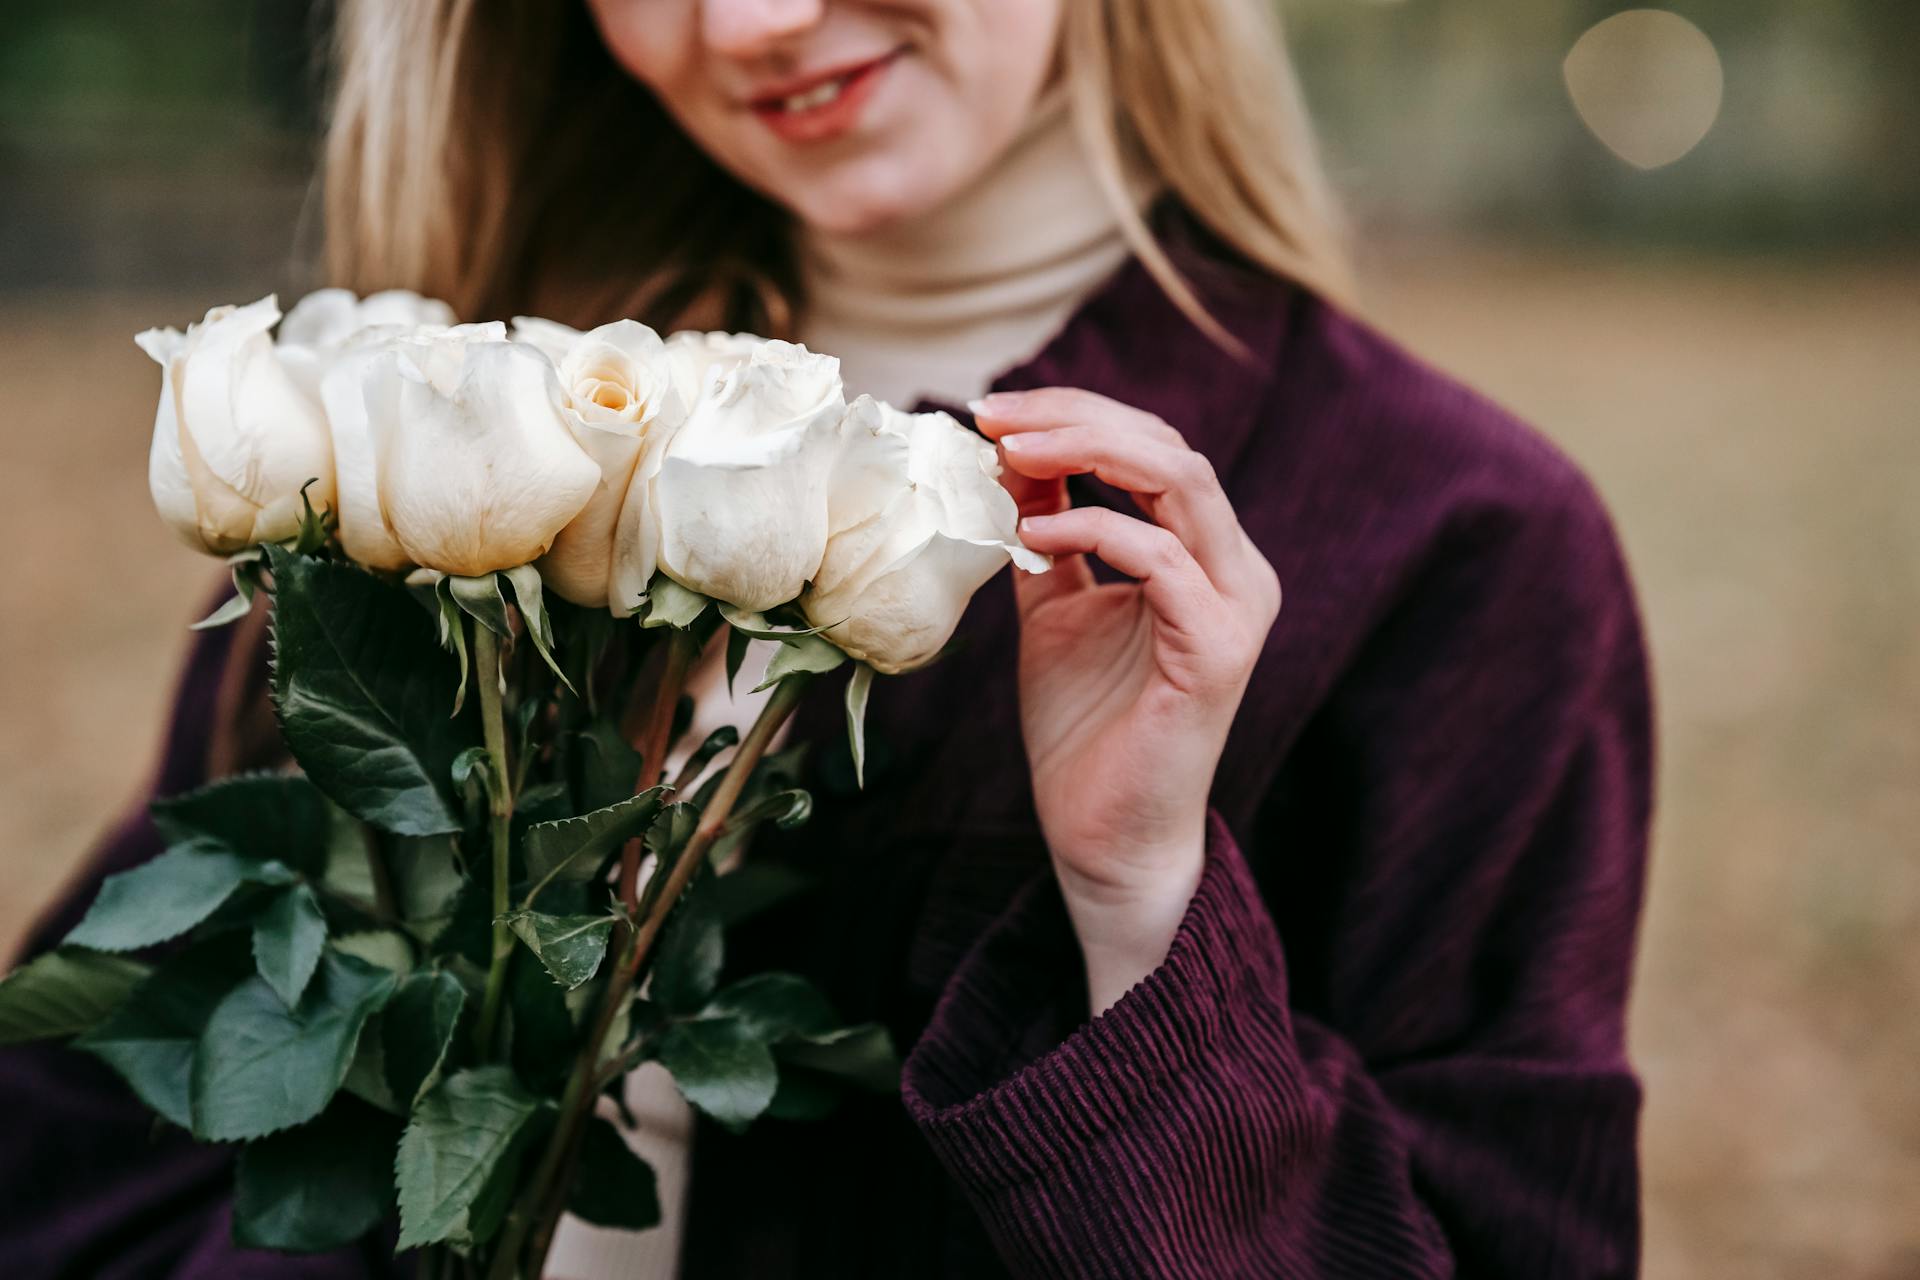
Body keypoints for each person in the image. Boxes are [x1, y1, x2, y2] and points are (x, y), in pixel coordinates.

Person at [0, 1, 1654, 1276]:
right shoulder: (449, 428)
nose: (748, 23)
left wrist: (1140, 913)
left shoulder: (1459, 546)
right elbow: (89, 1114)